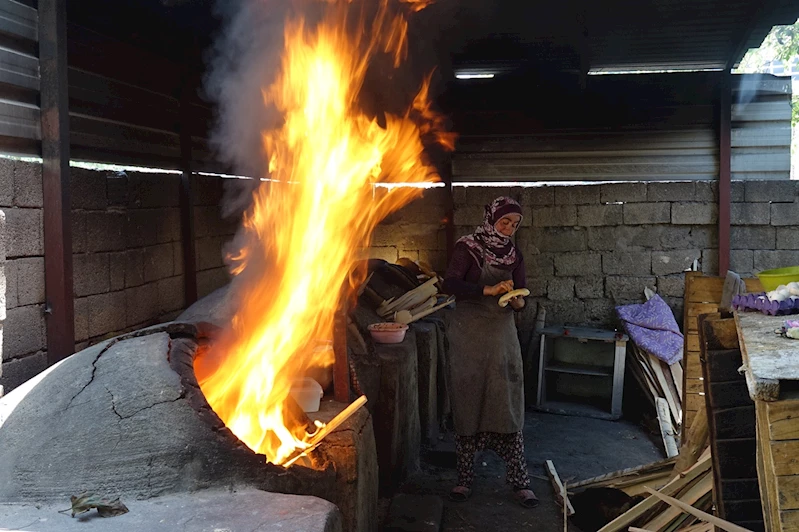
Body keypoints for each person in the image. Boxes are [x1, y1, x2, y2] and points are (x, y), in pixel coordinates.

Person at [442, 196, 537, 508]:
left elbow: (522, 295)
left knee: (507, 399)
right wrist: (487, 290)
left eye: (515, 224)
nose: (509, 228)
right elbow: (450, 284)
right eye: (504, 221)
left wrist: (517, 301)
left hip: (501, 336)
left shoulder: (514, 255)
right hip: (468, 335)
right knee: (468, 399)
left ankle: (520, 481)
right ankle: (464, 479)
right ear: (491, 218)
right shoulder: (468, 247)